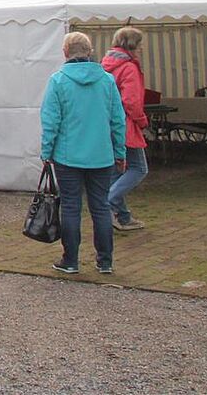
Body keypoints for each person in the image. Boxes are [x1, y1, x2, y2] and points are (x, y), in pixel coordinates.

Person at [40, 31, 127, 275]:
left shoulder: (58, 81)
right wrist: (120, 152)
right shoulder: (107, 81)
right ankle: (105, 261)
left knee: (70, 207)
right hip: (101, 155)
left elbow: (50, 120)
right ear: (90, 52)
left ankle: (71, 260)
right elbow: (118, 120)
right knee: (100, 206)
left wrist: (46, 151)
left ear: (65, 52)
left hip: (68, 156)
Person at [102, 26, 149, 231]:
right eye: (139, 44)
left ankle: (122, 216)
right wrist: (142, 121)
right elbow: (131, 101)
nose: (141, 48)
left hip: (107, 124)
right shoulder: (129, 67)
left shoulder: (105, 65)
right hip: (126, 125)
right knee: (138, 168)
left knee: (116, 171)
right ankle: (108, 203)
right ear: (132, 45)